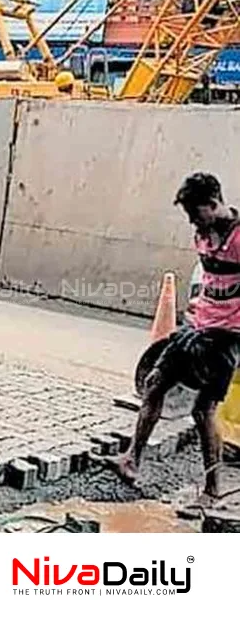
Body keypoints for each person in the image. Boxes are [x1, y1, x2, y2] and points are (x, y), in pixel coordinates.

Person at [113, 172, 240, 507]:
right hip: (197, 325)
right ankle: (131, 459)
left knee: (203, 409)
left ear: (213, 204)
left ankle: (213, 490)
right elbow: (208, 277)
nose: (192, 222)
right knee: (155, 382)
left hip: (227, 337)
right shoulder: (202, 233)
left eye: (195, 213)